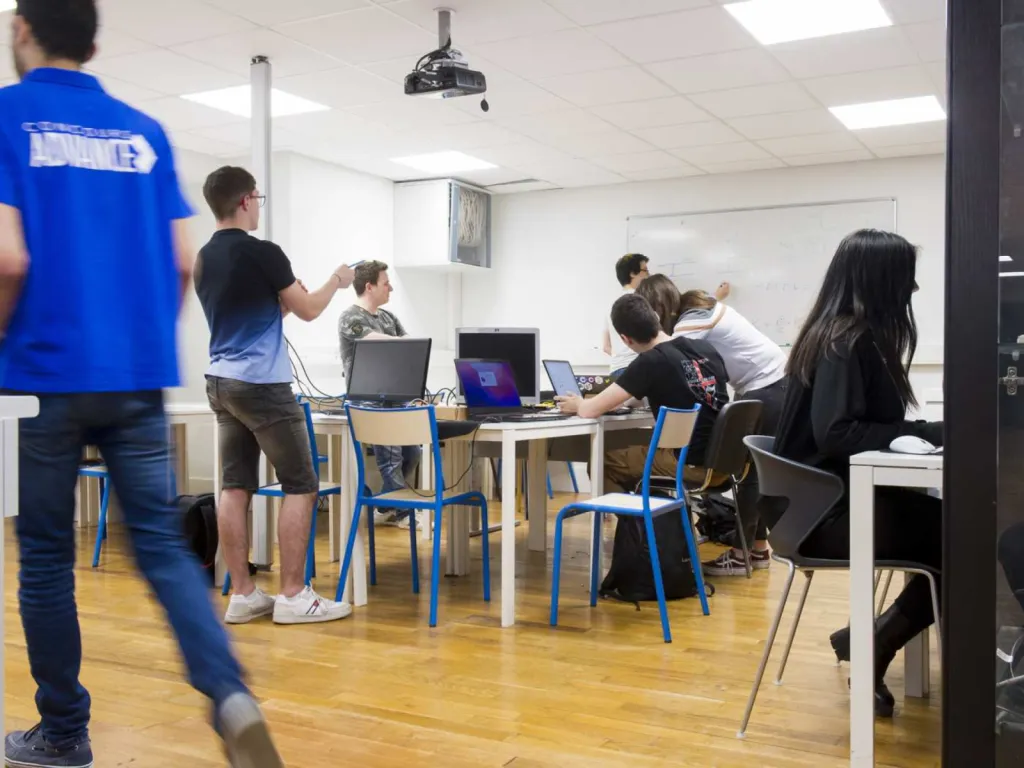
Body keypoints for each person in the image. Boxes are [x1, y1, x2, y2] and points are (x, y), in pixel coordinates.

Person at [0, 2, 283, 765]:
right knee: (158, 546)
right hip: (136, 376)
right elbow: (182, 261)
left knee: (48, 558)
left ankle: (63, 733)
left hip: (41, 376)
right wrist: (141, 343)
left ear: (22, 30)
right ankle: (230, 694)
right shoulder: (143, 131)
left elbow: (6, 258)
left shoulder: (6, 116)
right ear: (91, 42)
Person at [773, 229, 942, 718]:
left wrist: (928, 429)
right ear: (881, 279)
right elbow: (839, 434)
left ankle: (869, 640)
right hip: (821, 518)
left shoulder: (843, 334)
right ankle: (876, 643)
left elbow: (862, 427)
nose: (912, 290)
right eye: (906, 278)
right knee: (964, 538)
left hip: (822, 504)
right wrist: (929, 431)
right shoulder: (848, 339)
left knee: (955, 531)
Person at [195, 165, 355, 626]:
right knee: (302, 484)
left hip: (220, 384)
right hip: (262, 386)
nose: (259, 205)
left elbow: (248, 318)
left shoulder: (206, 258)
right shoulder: (264, 252)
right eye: (258, 198)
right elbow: (308, 310)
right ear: (245, 200)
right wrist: (335, 282)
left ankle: (243, 594)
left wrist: (277, 306)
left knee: (235, 485)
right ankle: (292, 595)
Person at [665, 281, 790, 577]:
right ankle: (757, 549)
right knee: (758, 475)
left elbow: (665, 350)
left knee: (749, 476)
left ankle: (740, 554)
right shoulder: (715, 310)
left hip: (766, 388)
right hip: (778, 385)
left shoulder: (693, 319)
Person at [558, 294, 729, 493]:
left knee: (603, 462)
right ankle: (653, 516)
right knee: (640, 453)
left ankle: (639, 522)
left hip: (690, 464)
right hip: (724, 462)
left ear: (625, 339)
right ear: (656, 317)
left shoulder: (651, 361)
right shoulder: (704, 348)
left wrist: (578, 404)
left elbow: (588, 411)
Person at [338, 261, 421, 529]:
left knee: (413, 453)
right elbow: (377, 341)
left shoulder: (388, 318)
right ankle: (403, 512)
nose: (391, 288)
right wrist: (404, 344)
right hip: (367, 401)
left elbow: (409, 345)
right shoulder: (351, 317)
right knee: (392, 457)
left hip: (395, 398)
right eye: (386, 283)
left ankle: (386, 504)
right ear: (369, 286)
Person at [602, 253, 649, 377]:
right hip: (637, 368)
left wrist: (621, 355)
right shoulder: (642, 300)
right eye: (645, 270)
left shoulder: (611, 304)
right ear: (633, 273)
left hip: (617, 369)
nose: (648, 275)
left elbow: (606, 347)